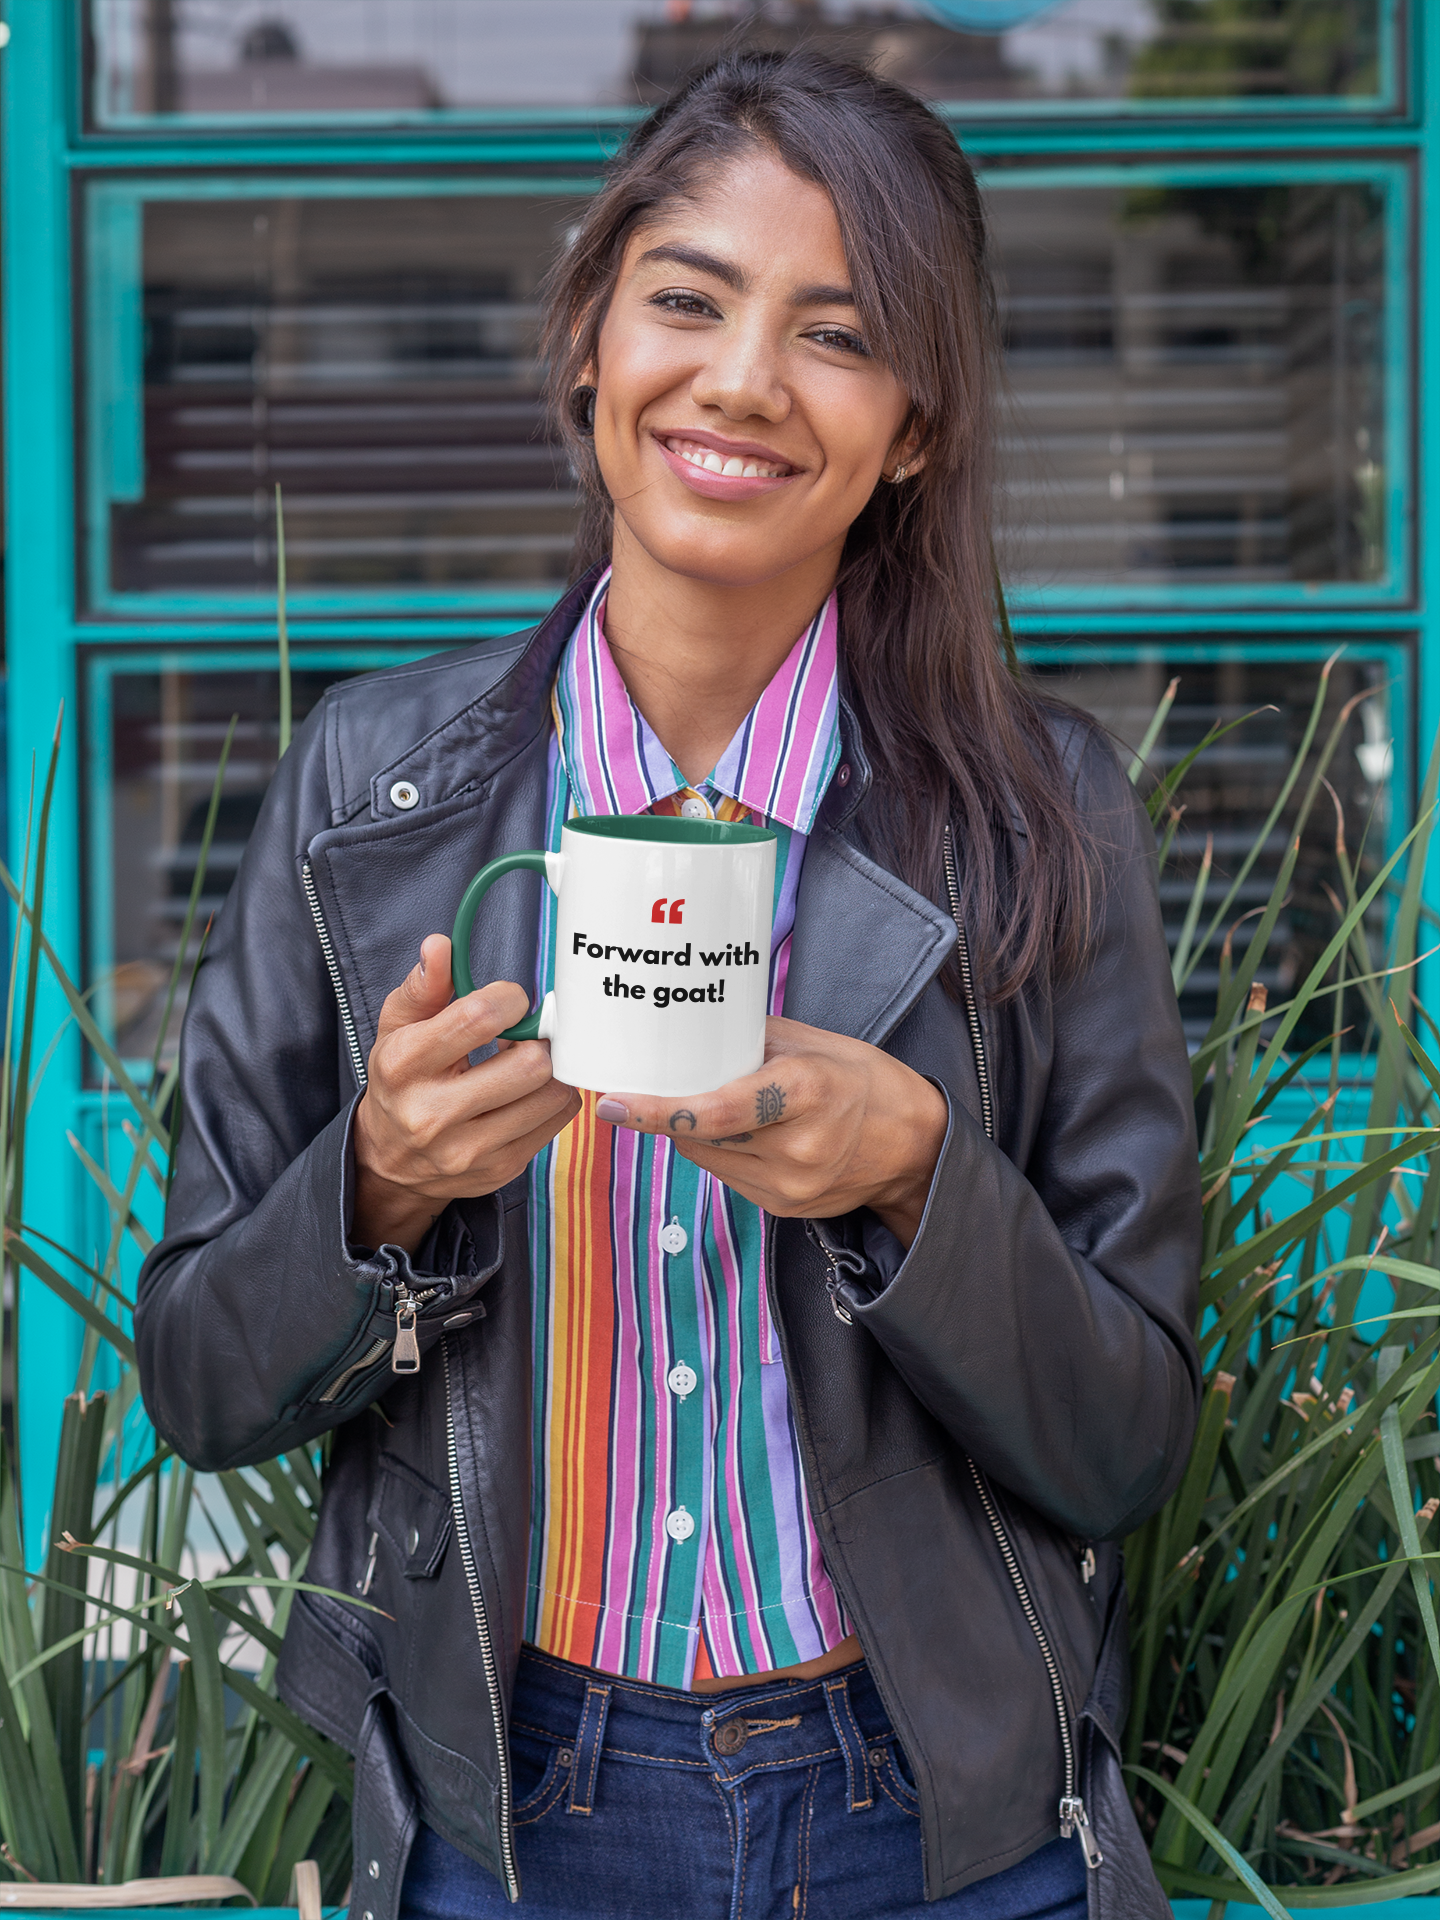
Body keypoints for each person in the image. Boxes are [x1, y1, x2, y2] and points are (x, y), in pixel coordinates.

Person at [135, 48, 1201, 1920]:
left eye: (838, 333)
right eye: (688, 299)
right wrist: (381, 1185)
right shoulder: (368, 800)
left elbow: (1122, 1445)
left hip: (939, 1814)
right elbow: (206, 1381)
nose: (739, 380)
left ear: (917, 429)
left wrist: (915, 1181)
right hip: (519, 1813)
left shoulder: (1039, 819)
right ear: (590, 340)